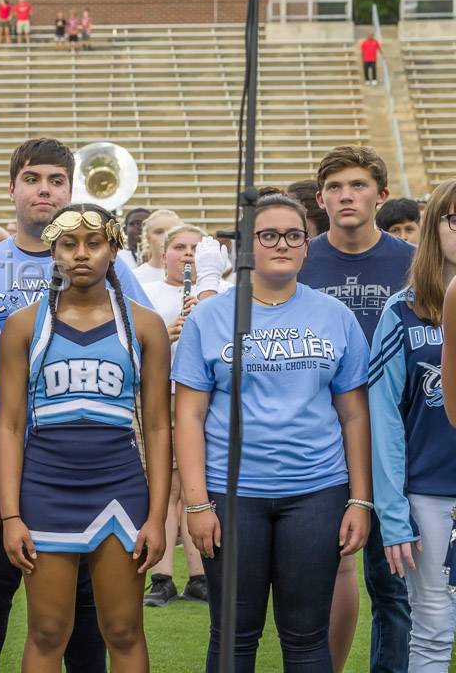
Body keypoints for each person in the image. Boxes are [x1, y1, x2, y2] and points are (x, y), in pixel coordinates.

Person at [0, 138, 152, 673]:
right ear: (12, 188)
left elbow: (137, 342)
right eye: (31, 179)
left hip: (90, 454)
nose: (43, 190)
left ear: (71, 189)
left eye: (55, 180)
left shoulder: (112, 273)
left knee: (92, 611)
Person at [175, 191, 373, 671]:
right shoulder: (210, 317)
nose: (282, 244)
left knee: (307, 640)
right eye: (268, 235)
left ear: (307, 245)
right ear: (246, 246)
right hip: (230, 495)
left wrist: (360, 499)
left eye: (293, 235)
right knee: (233, 639)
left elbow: (354, 415)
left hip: (316, 493)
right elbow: (189, 418)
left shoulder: (335, 316)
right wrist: (196, 504)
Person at [0, 203, 170, 669]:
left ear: (113, 250)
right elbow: (10, 425)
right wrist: (10, 515)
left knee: (123, 629)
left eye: (94, 243)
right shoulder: (22, 325)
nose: (81, 254)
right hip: (46, 487)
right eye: (69, 244)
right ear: (52, 250)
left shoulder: (145, 325)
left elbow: (156, 425)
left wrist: (157, 518)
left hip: (119, 488)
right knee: (48, 630)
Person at [297, 145, 414, 672]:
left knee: (393, 585)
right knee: (317, 577)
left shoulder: (412, 263)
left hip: (397, 436)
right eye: (336, 188)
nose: (347, 196)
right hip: (318, 436)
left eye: (359, 185)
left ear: (381, 196)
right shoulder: (300, 258)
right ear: (321, 199)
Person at [369, 179, 456, 671]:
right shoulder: (401, 310)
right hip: (428, 495)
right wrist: (393, 510)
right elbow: (383, 418)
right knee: (432, 628)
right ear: (433, 228)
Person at [139, 225, 231, 608]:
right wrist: (167, 333)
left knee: (197, 487)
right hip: (162, 397)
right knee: (167, 486)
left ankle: (199, 574)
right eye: (179, 247)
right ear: (163, 255)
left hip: (203, 401)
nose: (187, 254)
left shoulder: (221, 295)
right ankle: (161, 576)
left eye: (195, 248)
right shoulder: (148, 293)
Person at [131, 210, 181, 284]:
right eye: (159, 232)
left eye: (172, 232)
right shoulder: (134, 277)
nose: (166, 237)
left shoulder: (194, 275)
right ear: (147, 238)